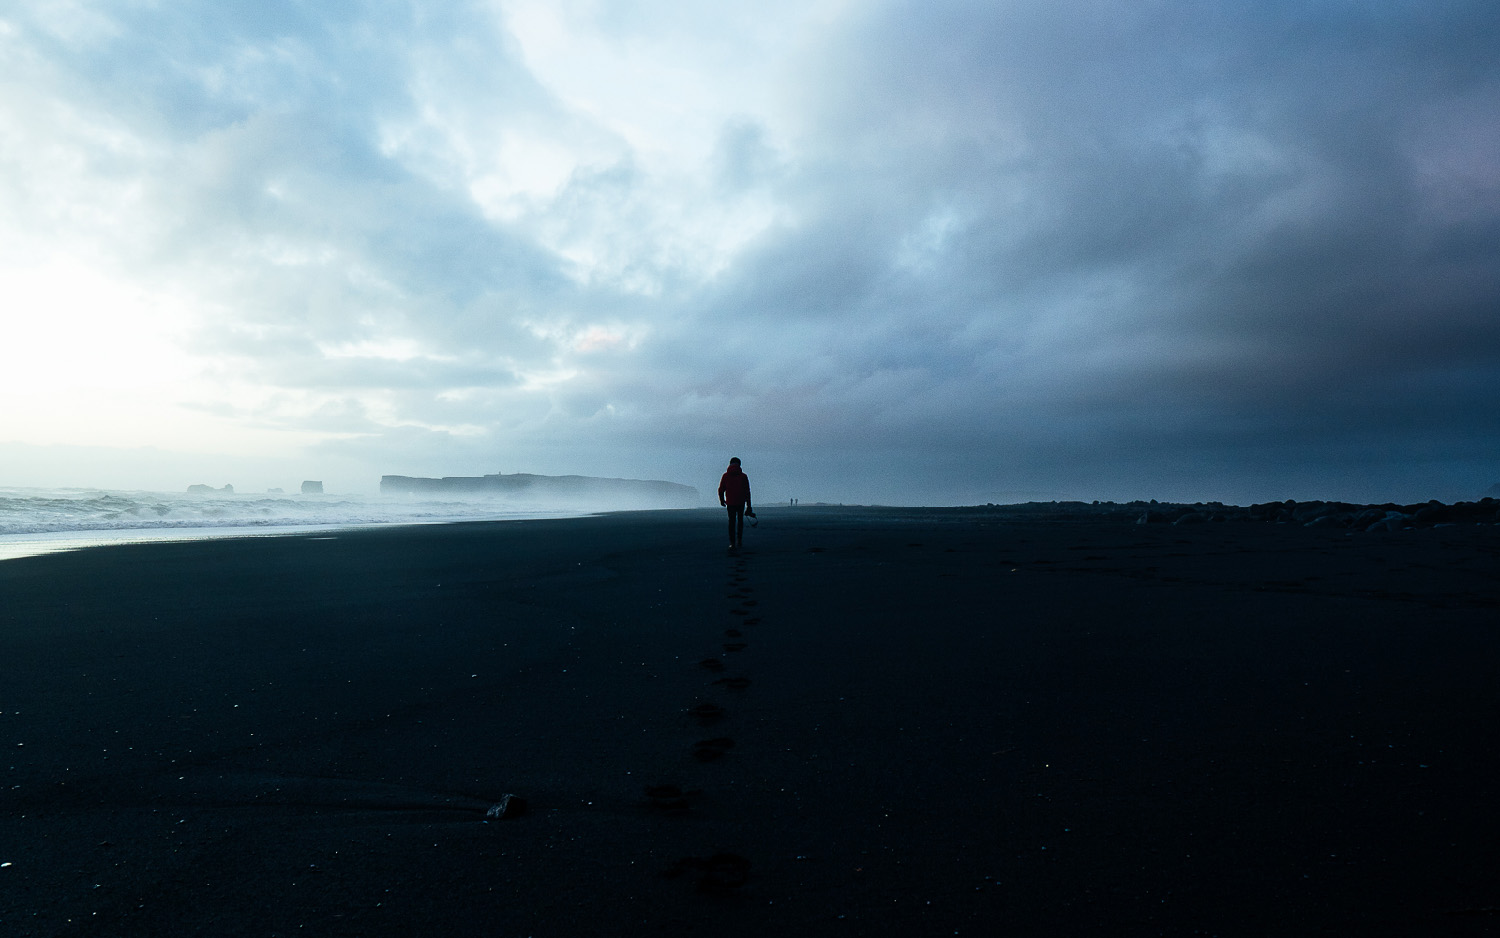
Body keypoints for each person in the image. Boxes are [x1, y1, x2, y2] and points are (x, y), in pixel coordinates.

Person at [718, 457, 754, 548]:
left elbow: (721, 489)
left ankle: (732, 542)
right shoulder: (743, 476)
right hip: (740, 502)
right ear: (739, 465)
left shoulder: (725, 476)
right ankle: (739, 540)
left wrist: (722, 500)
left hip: (730, 502)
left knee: (731, 522)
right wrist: (749, 506)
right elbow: (747, 492)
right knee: (740, 521)